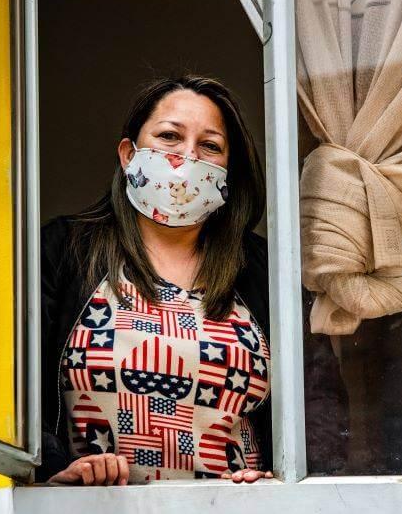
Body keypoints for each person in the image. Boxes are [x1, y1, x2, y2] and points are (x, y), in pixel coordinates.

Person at [37, 75, 281, 485]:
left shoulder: (264, 269)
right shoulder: (64, 250)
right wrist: (54, 471)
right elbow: (10, 396)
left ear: (227, 172)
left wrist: (278, 479)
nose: (187, 157)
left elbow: (319, 406)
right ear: (127, 154)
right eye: (169, 136)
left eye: (210, 146)